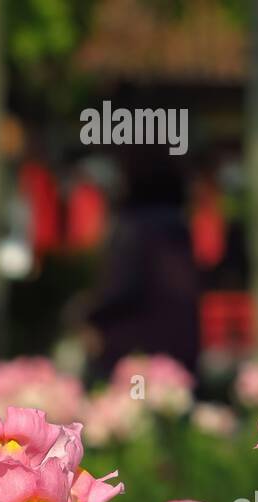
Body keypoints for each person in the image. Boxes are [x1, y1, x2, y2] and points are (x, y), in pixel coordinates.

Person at [81, 154, 200, 384]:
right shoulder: (176, 223)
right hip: (176, 350)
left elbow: (121, 286)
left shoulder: (133, 226)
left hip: (132, 350)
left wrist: (89, 315)